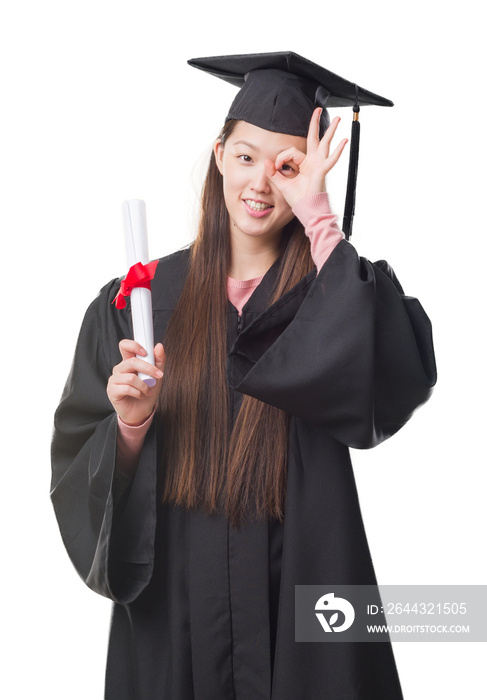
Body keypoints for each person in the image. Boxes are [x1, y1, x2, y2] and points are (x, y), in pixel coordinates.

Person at [51, 52, 436, 700]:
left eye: (288, 167)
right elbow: (78, 461)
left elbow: (391, 385)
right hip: (177, 602)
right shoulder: (137, 301)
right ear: (218, 154)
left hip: (306, 598)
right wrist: (131, 426)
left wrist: (321, 223)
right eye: (247, 157)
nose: (262, 183)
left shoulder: (335, 294)